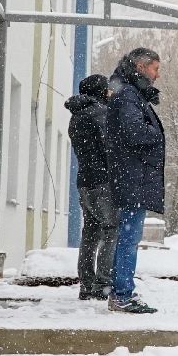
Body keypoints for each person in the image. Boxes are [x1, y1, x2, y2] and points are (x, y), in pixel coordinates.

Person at [104, 47, 166, 313]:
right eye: (155, 69)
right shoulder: (128, 95)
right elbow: (135, 132)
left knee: (128, 236)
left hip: (132, 177)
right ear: (141, 67)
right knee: (129, 238)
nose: (157, 75)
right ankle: (122, 294)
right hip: (133, 178)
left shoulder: (128, 93)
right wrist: (156, 134)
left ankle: (121, 291)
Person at [65, 74, 115, 301]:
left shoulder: (76, 116)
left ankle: (86, 285)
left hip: (84, 182)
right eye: (106, 90)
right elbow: (109, 150)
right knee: (111, 231)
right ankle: (103, 284)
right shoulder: (100, 114)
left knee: (90, 233)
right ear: (100, 91)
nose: (109, 93)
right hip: (103, 183)